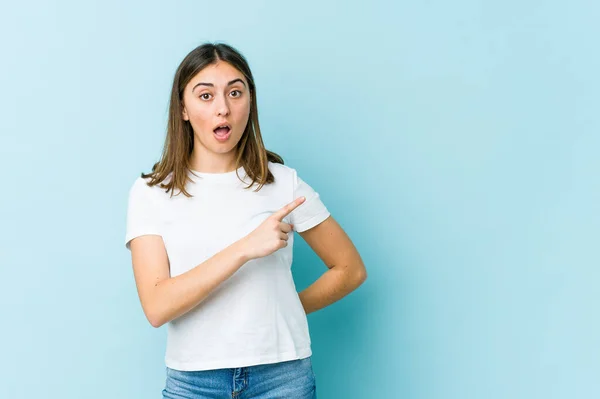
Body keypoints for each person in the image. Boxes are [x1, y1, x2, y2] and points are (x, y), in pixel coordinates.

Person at [124, 42, 367, 399]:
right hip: (194, 383)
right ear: (183, 110)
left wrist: (286, 305)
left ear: (249, 102)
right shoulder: (151, 192)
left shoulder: (284, 182)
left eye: (235, 93)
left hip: (282, 379)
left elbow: (349, 269)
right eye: (205, 96)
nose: (223, 108)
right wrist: (244, 249)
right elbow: (157, 306)